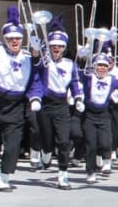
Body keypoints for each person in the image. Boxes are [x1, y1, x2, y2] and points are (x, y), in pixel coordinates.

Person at [0, 5, 44, 192]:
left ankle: (3, 177)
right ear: (5, 39)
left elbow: (36, 79)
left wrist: (35, 98)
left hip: (15, 105)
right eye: (10, 38)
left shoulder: (28, 58)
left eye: (17, 38)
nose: (14, 41)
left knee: (13, 144)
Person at [34, 16, 84, 190]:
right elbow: (35, 63)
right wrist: (37, 49)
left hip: (62, 105)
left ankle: (63, 174)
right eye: (53, 45)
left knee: (63, 141)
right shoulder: (44, 60)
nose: (56, 48)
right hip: (45, 105)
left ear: (64, 48)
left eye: (60, 46)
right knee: (47, 140)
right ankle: (46, 153)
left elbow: (75, 83)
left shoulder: (70, 64)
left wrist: (78, 98)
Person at [81, 53, 118, 183]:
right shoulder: (88, 78)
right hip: (89, 115)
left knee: (106, 141)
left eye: (105, 66)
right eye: (99, 65)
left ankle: (107, 161)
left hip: (104, 114)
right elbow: (79, 71)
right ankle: (90, 172)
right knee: (91, 145)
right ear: (94, 66)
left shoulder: (112, 79)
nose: (102, 68)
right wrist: (82, 58)